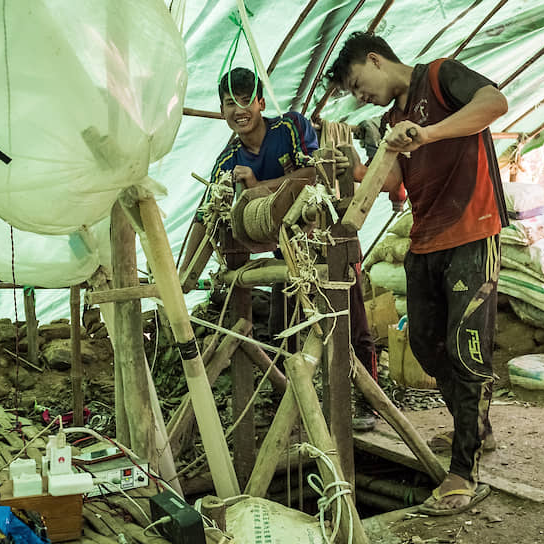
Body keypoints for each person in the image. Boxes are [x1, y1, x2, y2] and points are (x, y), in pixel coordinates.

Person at [326, 32, 509, 514]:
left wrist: (428, 132)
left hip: (472, 230)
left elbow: (495, 102)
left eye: (357, 83)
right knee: (426, 344)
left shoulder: (439, 74)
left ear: (375, 59)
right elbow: (393, 182)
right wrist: (353, 158)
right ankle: (477, 426)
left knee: (466, 348)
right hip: (426, 239)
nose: (358, 95)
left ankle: (463, 472)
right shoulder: (389, 120)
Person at [185, 67, 379, 430]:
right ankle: (289, 406)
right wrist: (185, 273)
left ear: (260, 102)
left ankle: (367, 405)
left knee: (351, 322)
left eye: (246, 101)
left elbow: (314, 175)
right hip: (285, 251)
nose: (239, 110)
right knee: (280, 329)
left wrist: (259, 186)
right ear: (222, 110)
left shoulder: (290, 127)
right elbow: (206, 213)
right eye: (230, 103)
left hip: (328, 238)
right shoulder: (227, 162)